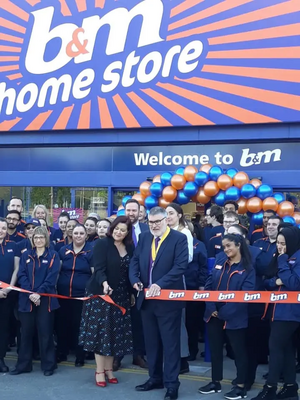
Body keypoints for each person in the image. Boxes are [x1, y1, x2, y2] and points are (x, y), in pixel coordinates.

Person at [129, 206, 188, 400]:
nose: (154, 225)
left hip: (168, 302)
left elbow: (180, 267)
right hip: (146, 300)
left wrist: (160, 284)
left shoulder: (178, 239)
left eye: (157, 222)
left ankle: (172, 384)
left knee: (170, 345)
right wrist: (134, 279)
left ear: (166, 220)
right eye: (150, 222)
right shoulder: (145, 237)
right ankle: (155, 378)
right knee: (152, 344)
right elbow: (135, 261)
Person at [79, 216, 134, 387]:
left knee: (115, 335)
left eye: (122, 230)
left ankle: (110, 370)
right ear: (112, 228)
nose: (119, 232)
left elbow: (130, 272)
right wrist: (104, 283)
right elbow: (99, 268)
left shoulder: (130, 247)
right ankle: (99, 371)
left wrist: (131, 292)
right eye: (117, 228)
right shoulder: (102, 244)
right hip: (102, 295)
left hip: (122, 296)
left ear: (127, 233)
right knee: (101, 335)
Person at [199, 234, 255, 400]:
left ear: (238, 245)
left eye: (229, 246)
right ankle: (215, 382)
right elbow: (209, 285)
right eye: (224, 247)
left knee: (239, 352)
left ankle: (240, 386)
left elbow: (246, 295)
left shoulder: (248, 268)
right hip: (213, 314)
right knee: (215, 351)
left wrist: (224, 312)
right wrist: (211, 307)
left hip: (235, 317)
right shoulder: (219, 263)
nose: (226, 250)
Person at [252, 227, 300, 400]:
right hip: (275, 310)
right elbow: (268, 281)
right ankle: (290, 386)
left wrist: (282, 262)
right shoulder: (281, 257)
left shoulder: (295, 257)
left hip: (290, 312)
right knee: (286, 349)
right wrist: (278, 280)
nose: (280, 247)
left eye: (283, 243)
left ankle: (270, 387)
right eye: (278, 243)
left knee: (276, 347)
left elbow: (294, 283)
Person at [10, 227, 60, 376]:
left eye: (41, 237)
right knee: (25, 333)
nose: (38, 240)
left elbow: (52, 277)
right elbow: (22, 275)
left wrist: (39, 293)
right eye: (36, 237)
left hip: (46, 300)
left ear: (46, 239)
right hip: (26, 299)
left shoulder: (53, 256)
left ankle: (48, 365)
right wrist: (31, 293)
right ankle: (23, 365)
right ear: (32, 239)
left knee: (45, 333)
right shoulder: (26, 255)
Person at [115, 199, 148, 371]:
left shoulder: (147, 230)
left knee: (138, 320)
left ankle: (138, 355)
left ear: (140, 212)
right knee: (120, 320)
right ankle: (117, 357)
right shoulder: (119, 230)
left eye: (134, 210)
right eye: (128, 210)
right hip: (120, 281)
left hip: (141, 282)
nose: (131, 213)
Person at [56, 225, 93, 367]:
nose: (78, 235)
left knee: (79, 326)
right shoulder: (63, 250)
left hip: (81, 297)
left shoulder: (91, 251)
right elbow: (57, 271)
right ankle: (62, 352)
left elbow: (94, 273)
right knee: (62, 326)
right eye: (76, 233)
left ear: (86, 235)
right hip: (63, 295)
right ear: (72, 235)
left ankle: (80, 355)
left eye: (81, 233)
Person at [166, 203, 193, 373]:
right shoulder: (162, 232)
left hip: (176, 280)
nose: (168, 216)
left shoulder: (184, 233)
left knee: (178, 320)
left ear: (179, 215)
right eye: (165, 213)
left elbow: (188, 257)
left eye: (171, 213)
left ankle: (183, 359)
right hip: (159, 280)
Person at [185, 221, 207, 361]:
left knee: (191, 322)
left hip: (192, 288)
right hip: (175, 288)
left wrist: (201, 285)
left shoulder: (199, 245)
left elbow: (204, 267)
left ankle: (192, 350)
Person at [0, 217, 20, 372]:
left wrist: (9, 288)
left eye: (3, 228)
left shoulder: (13, 245)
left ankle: (1, 359)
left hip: (7, 295)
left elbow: (16, 269)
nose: (1, 231)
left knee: (3, 328)